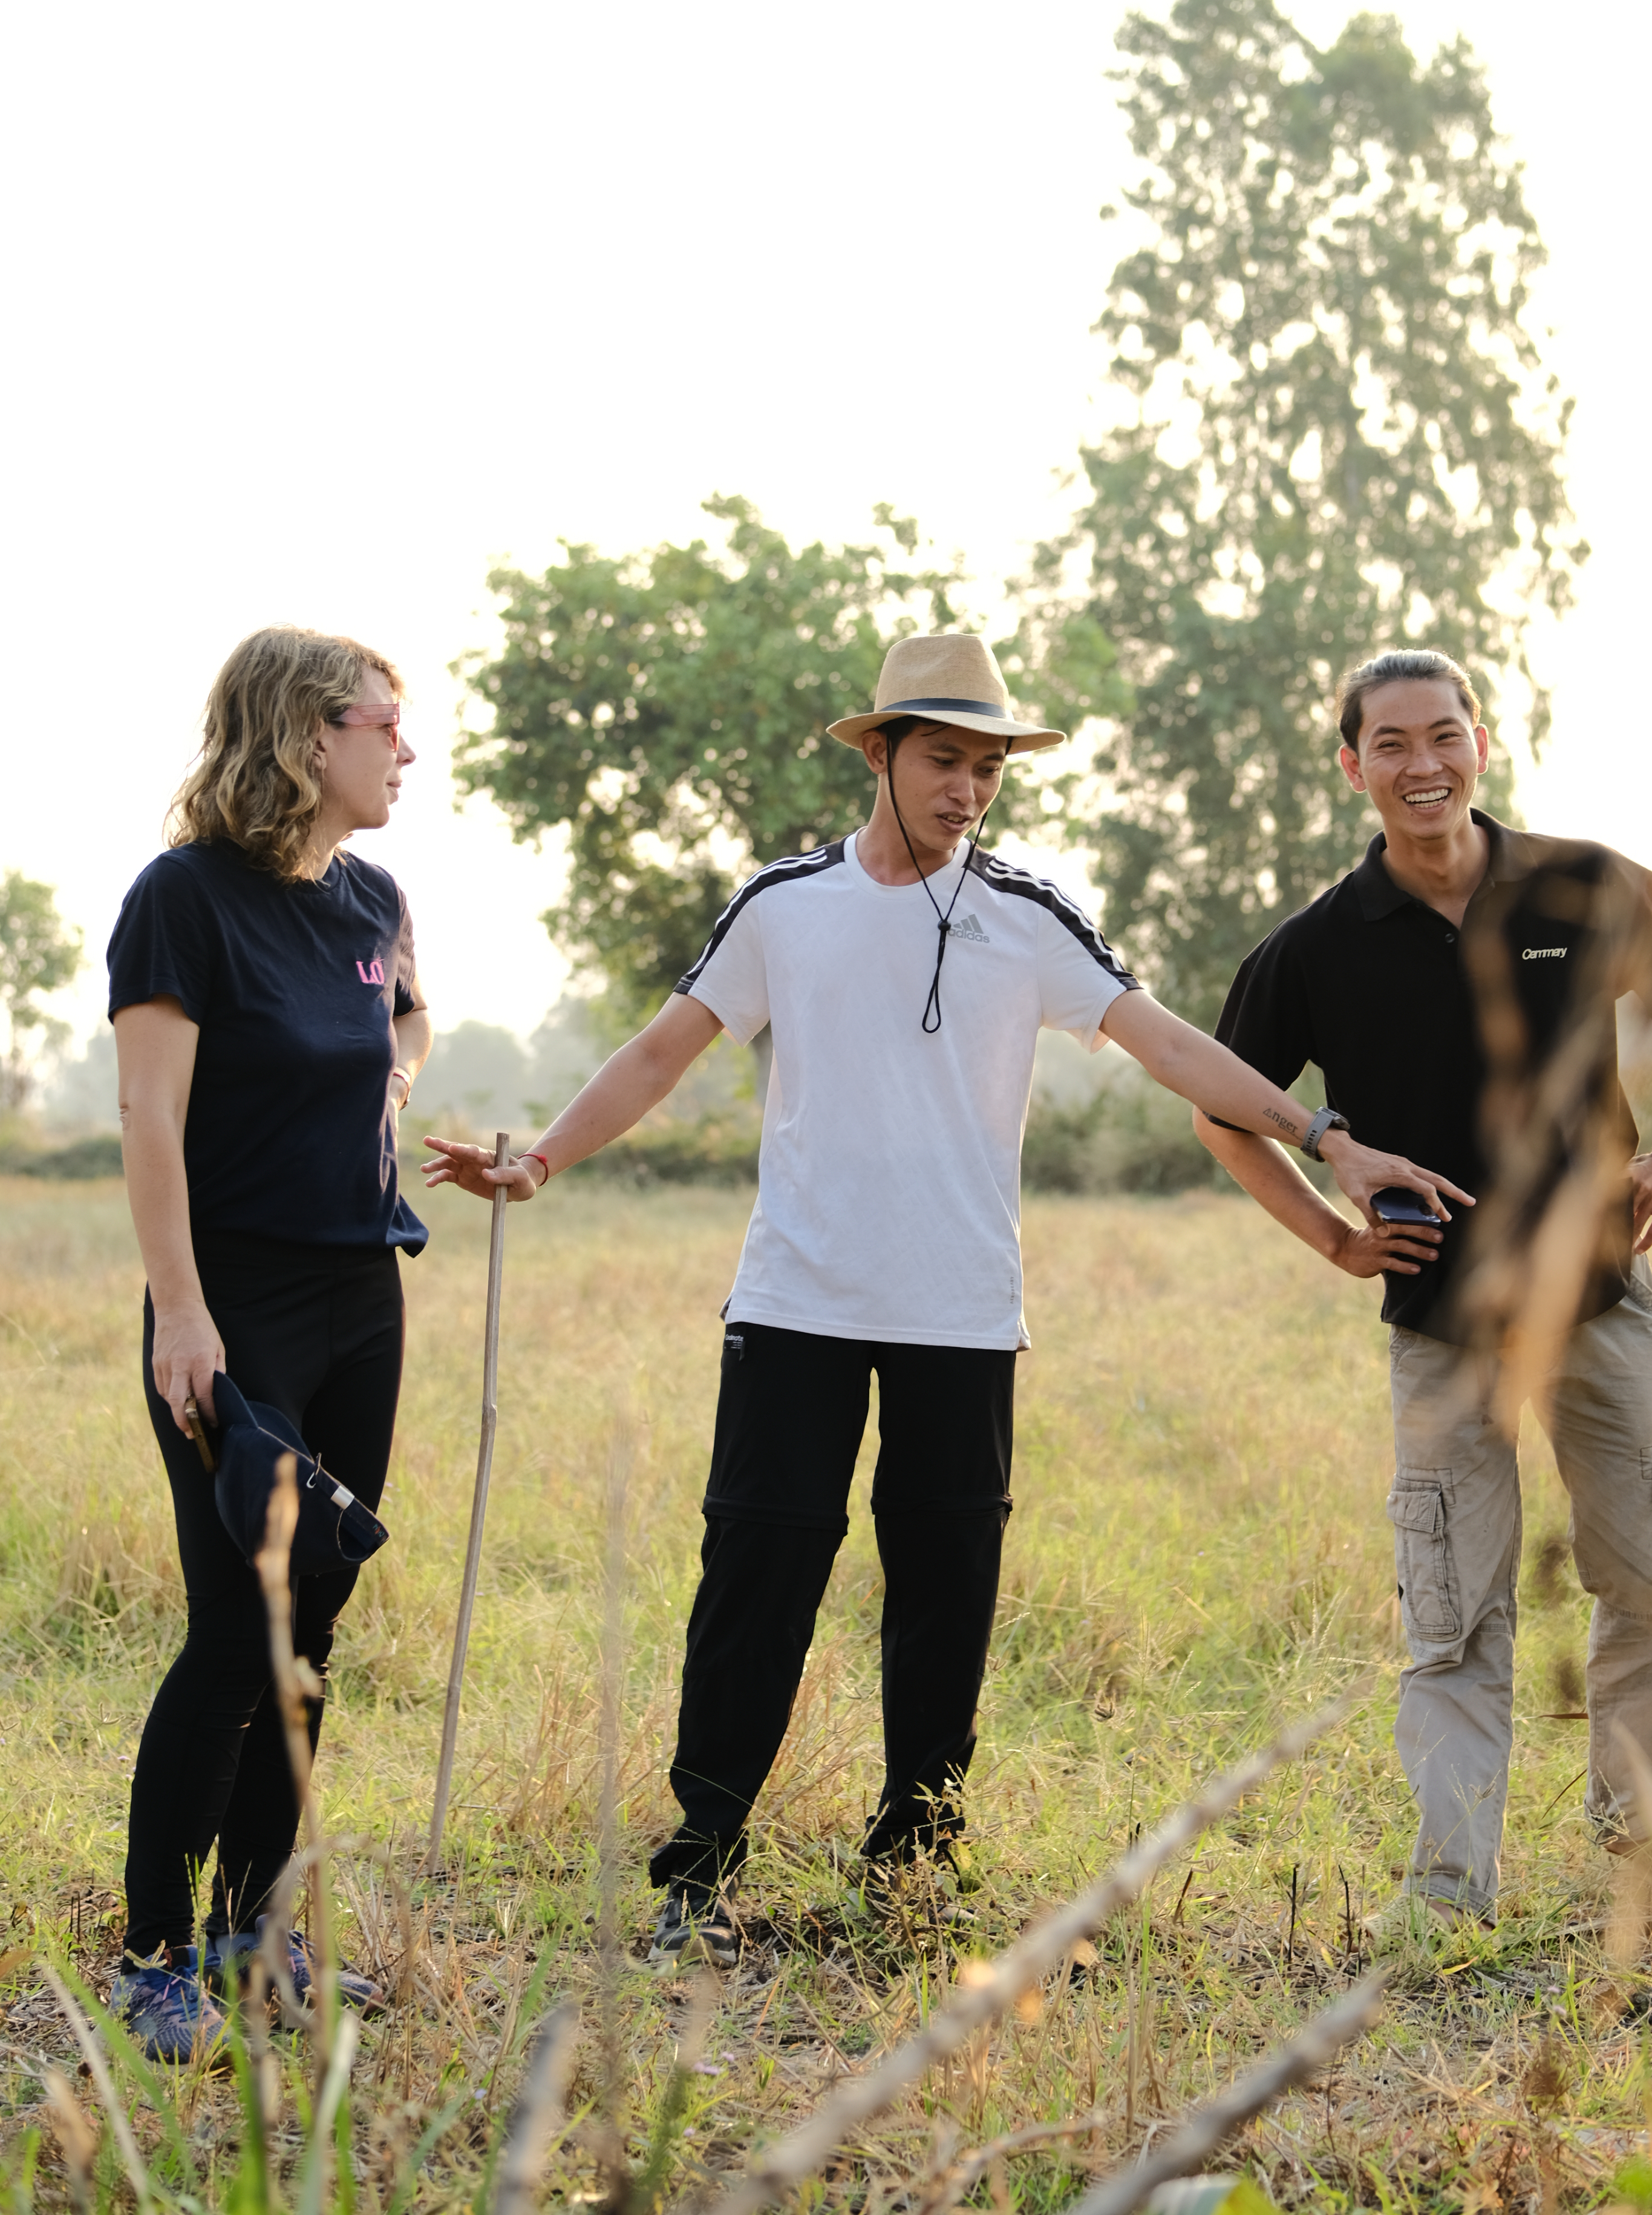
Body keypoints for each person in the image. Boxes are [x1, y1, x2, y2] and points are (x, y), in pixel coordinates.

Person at [424, 630, 1457, 1966]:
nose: (967, 788)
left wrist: (1328, 1140)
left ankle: (914, 1859)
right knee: (756, 1577)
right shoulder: (784, 905)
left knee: (944, 1591)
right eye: (942, 759)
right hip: (795, 1300)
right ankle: (700, 1861)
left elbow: (1171, 1049)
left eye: (987, 765)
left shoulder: (1027, 917)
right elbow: (661, 1048)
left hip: (960, 1318)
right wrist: (543, 1155)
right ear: (879, 752)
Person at [1194, 647, 1652, 1935]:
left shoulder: (1584, 883)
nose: (1421, 764)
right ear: (1351, 767)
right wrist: (1330, 1235)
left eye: (1441, 734)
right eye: (1388, 743)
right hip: (1442, 1331)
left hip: (1603, 1300)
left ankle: (1635, 1846)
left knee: (1651, 1573)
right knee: (1455, 1614)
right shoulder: (1316, 946)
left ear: (1480, 744)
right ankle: (1450, 1895)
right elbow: (1224, 1115)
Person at [108, 626, 431, 2058]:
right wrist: (182, 1312)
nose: (405, 750)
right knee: (238, 1628)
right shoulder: (183, 900)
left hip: (367, 1300)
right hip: (231, 1312)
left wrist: (397, 1090)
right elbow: (148, 1121)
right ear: (309, 736)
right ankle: (154, 1953)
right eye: (385, 725)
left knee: (319, 1627)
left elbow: (407, 1017)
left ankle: (255, 1934)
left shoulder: (372, 895)